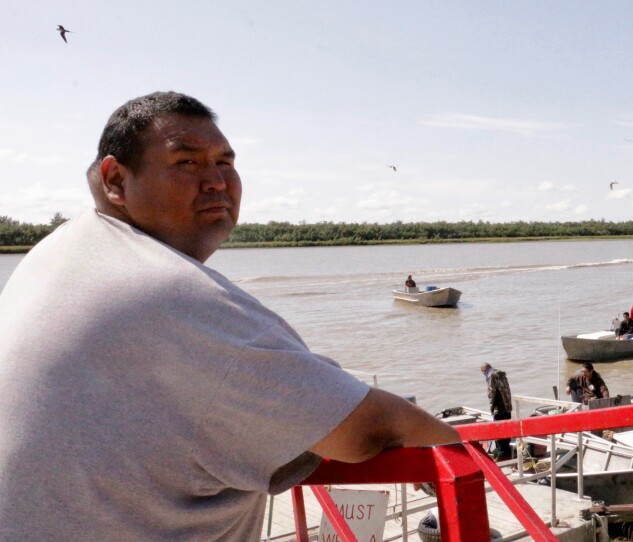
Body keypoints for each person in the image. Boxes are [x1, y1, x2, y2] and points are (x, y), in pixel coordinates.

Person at [0, 92, 459, 540]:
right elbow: (367, 429)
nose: (217, 180)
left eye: (226, 162)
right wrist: (462, 453)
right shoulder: (170, 293)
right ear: (115, 179)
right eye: (187, 162)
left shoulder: (59, 251)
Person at [480, 363, 513, 460]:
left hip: (499, 408)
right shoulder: (501, 374)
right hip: (507, 406)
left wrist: (491, 408)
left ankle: (501, 453)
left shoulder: (491, 376)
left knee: (498, 430)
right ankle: (506, 451)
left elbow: (491, 393)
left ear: (484, 370)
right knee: (507, 429)